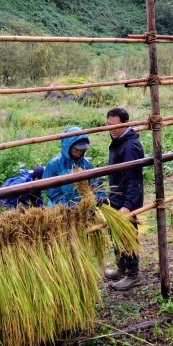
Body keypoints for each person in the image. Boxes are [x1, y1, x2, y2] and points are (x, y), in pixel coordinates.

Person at [103, 108, 145, 291]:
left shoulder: (130, 147)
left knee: (128, 235)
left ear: (126, 124)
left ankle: (133, 275)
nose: (111, 129)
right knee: (116, 234)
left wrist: (128, 206)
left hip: (127, 201)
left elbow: (134, 180)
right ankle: (121, 268)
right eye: (108, 125)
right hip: (117, 198)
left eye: (115, 126)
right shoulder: (118, 141)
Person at [43, 127, 106, 207]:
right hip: (60, 210)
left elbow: (96, 183)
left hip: (83, 208)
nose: (79, 152)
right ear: (68, 147)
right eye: (76, 149)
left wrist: (100, 196)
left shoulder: (87, 165)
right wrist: (67, 205)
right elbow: (52, 191)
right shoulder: (54, 165)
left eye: (82, 149)